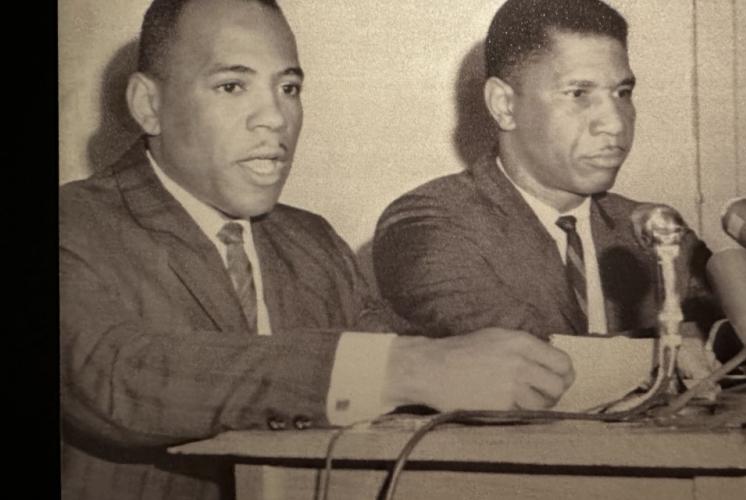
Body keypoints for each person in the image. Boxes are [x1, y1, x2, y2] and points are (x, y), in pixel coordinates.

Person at [59, 1, 573, 499]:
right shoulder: (74, 224)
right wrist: (404, 368)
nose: (275, 118)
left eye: (288, 88)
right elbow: (113, 375)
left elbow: (400, 349)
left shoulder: (311, 242)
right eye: (232, 85)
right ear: (149, 105)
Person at [373, 0, 720, 339]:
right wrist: (660, 356)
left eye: (622, 92)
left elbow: (736, 333)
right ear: (504, 105)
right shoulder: (426, 225)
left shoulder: (650, 228)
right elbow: (518, 359)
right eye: (579, 93)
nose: (615, 123)